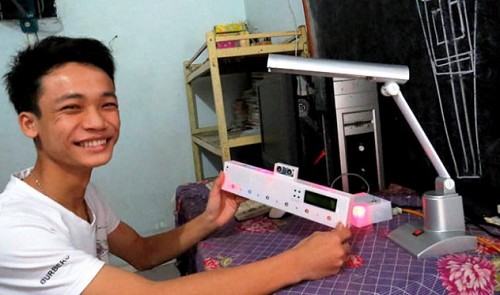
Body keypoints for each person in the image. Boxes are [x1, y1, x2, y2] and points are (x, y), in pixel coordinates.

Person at [0, 36, 351, 294]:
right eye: (72, 108)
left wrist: (210, 219)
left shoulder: (82, 190)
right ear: (30, 123)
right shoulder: (15, 228)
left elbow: (142, 253)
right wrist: (298, 262)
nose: (97, 122)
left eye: (107, 104)